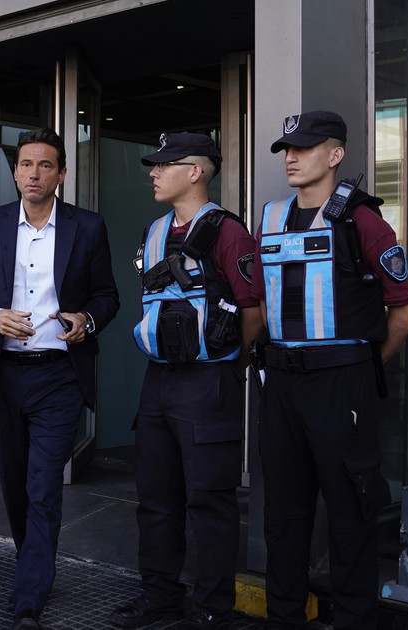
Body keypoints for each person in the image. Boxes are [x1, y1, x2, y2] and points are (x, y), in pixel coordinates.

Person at [251, 111, 408, 630]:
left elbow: (404, 316)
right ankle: (283, 618)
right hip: (281, 383)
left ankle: (353, 620)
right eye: (287, 149)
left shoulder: (363, 221)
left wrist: (358, 367)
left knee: (349, 513)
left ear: (336, 155)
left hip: (341, 382)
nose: (291, 158)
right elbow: (261, 299)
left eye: (304, 148)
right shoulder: (270, 218)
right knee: (283, 514)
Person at [0, 127, 119, 630]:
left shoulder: (87, 227)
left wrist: (86, 319)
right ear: (15, 171)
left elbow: (108, 295)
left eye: (45, 165)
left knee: (43, 486)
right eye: (26, 164)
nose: (34, 173)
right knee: (15, 486)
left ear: (61, 174)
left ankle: (29, 595)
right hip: (2, 375)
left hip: (58, 376)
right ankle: (34, 564)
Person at [110, 133, 261, 630]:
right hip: (158, 382)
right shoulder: (156, 231)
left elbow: (253, 312)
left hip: (207, 383)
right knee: (155, 499)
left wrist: (229, 363)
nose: (153, 173)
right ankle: (159, 598)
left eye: (164, 165)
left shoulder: (227, 232)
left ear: (195, 172)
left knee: (209, 500)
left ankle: (212, 608)